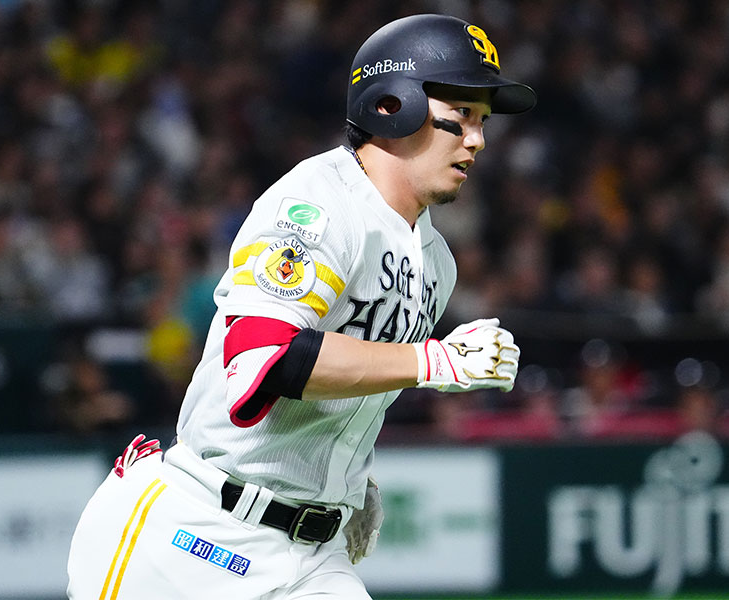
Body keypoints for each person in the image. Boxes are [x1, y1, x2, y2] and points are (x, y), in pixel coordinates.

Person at [66, 13, 535, 599]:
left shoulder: (436, 261)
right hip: (197, 534)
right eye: (461, 113)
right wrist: (434, 362)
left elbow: (353, 379)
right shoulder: (318, 203)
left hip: (312, 555)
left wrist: (346, 480)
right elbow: (265, 357)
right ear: (393, 105)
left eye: (482, 120)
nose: (477, 139)